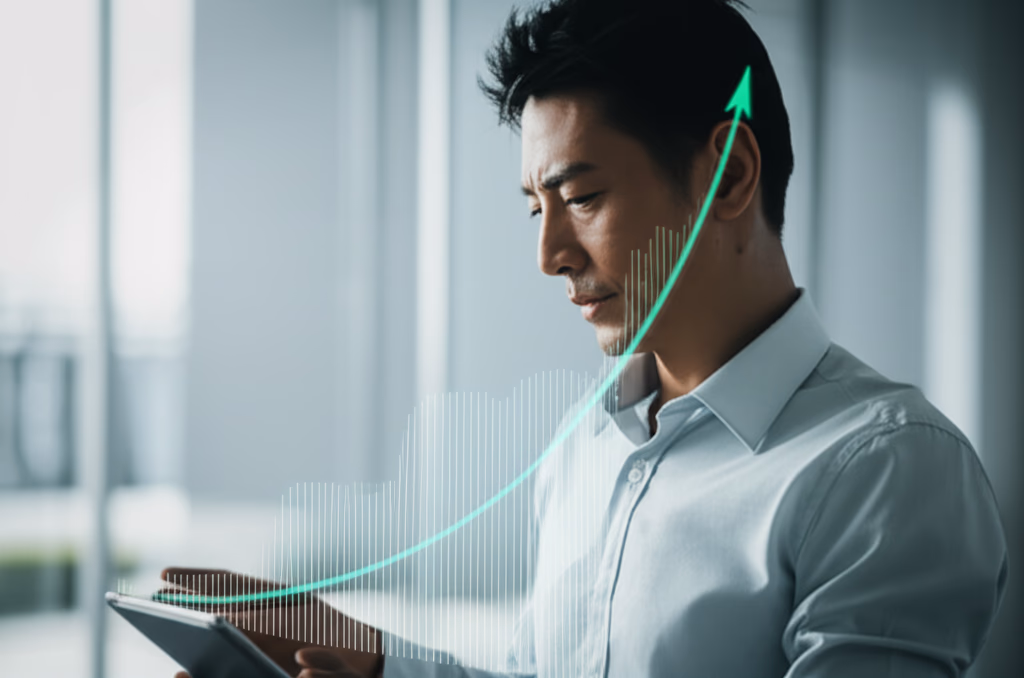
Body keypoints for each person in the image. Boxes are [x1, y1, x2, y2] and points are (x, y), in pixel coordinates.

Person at [166, 0, 1007, 676]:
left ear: (732, 173)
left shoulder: (886, 469)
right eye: (538, 208)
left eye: (583, 197)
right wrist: (372, 662)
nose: (549, 255)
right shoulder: (588, 448)